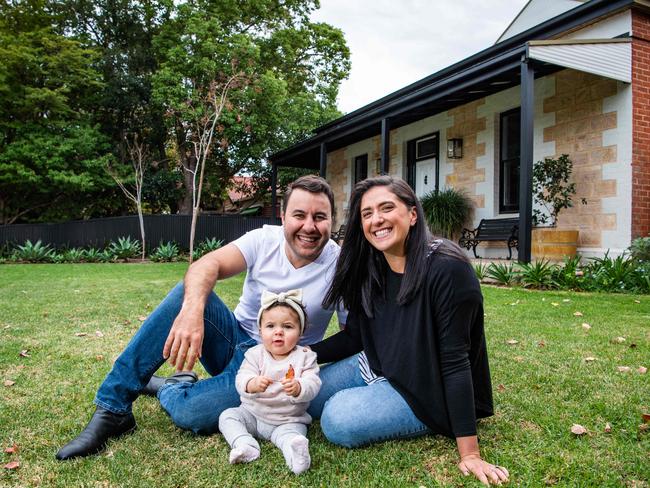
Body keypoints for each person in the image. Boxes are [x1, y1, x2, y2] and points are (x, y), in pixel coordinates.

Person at [56, 175, 346, 460]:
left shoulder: (343, 266)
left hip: (277, 369)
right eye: (299, 215)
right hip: (234, 342)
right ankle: (113, 408)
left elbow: (350, 336)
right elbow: (208, 264)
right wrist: (192, 312)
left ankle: (170, 386)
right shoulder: (263, 239)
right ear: (283, 217)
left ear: (332, 220)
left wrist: (306, 365)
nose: (309, 226)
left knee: (188, 412)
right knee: (189, 291)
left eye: (320, 217)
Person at [306, 175, 509, 486]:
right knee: (307, 397)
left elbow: (455, 362)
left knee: (337, 420)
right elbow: (356, 336)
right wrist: (303, 353)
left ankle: (381, 398)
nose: (377, 220)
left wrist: (469, 453)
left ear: (413, 214)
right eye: (367, 213)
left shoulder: (447, 268)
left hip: (428, 390)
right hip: (379, 366)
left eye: (387, 208)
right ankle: (374, 390)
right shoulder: (371, 264)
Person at [219, 289, 320, 475]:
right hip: (252, 414)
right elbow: (241, 377)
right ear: (260, 330)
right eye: (270, 326)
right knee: (228, 416)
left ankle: (297, 458)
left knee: (292, 437)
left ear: (300, 332)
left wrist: (300, 387)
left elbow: (313, 384)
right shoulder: (255, 354)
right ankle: (245, 444)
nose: (278, 332)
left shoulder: (305, 357)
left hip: (288, 420)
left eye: (288, 327)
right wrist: (251, 383)